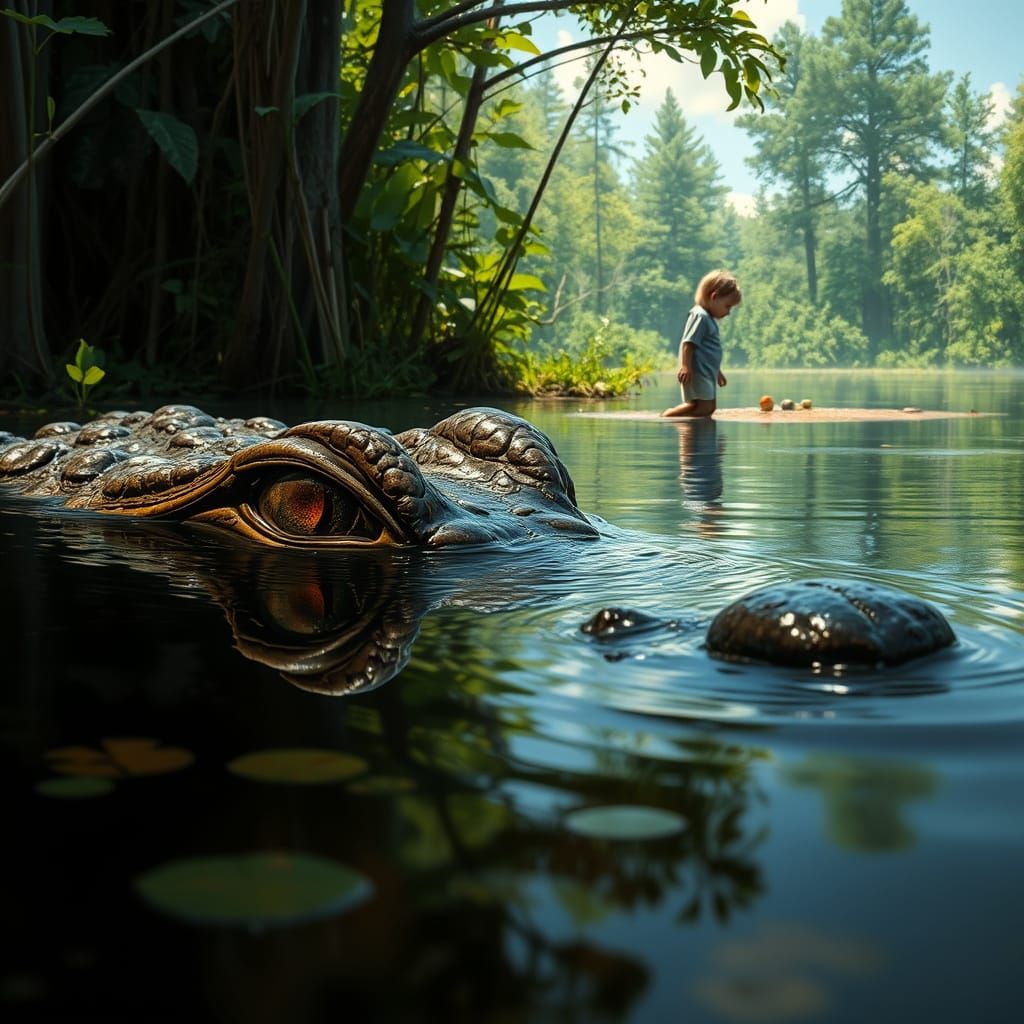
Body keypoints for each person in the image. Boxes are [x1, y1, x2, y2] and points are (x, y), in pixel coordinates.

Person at [661, 269, 741, 418]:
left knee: (708, 407)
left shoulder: (708, 319)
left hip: (706, 372)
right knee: (702, 406)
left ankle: (687, 425)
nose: (728, 312)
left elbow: (708, 352)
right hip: (697, 372)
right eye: (727, 306)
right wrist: (686, 366)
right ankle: (669, 416)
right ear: (714, 297)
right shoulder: (700, 315)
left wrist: (717, 372)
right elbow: (689, 343)